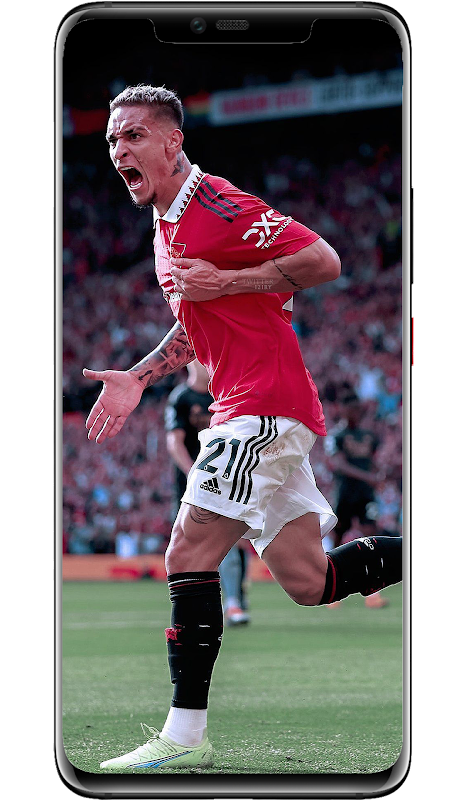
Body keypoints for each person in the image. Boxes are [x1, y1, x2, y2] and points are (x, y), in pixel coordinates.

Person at [81, 85, 402, 770]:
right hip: (248, 406)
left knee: (187, 553)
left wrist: (227, 283)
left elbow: (324, 260)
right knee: (310, 581)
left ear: (173, 141)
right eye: (112, 139)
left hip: (264, 405)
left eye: (134, 135)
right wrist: (139, 376)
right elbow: (195, 327)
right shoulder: (165, 226)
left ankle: (184, 737)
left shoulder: (217, 205)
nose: (119, 150)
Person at [165, 360, 250, 625]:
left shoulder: (225, 396)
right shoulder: (181, 398)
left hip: (224, 482)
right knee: (191, 545)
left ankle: (234, 601)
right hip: (191, 487)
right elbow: (174, 441)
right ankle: (204, 604)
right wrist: (193, 472)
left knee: (229, 542)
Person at [327, 394, 390, 609]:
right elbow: (339, 465)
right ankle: (332, 589)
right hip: (345, 494)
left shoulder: (368, 436)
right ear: (343, 410)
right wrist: (369, 477)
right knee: (338, 539)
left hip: (365, 494)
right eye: (351, 409)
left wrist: (379, 474)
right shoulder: (336, 436)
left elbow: (372, 461)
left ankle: (373, 593)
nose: (355, 413)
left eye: (357, 410)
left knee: (372, 537)